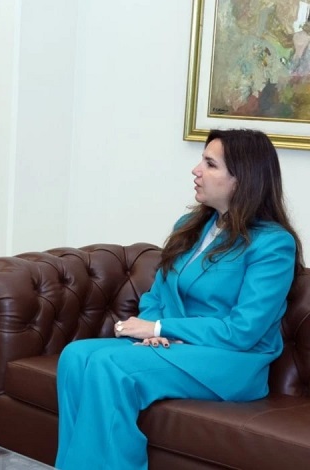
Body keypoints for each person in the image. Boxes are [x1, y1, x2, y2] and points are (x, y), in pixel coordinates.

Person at [55, 129, 304, 470]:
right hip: (175, 346)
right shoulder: (190, 225)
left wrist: (162, 327)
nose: (196, 170)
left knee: (110, 365)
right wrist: (153, 330)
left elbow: (244, 330)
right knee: (75, 356)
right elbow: (159, 292)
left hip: (232, 361)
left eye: (210, 164)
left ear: (241, 178)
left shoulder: (273, 244)